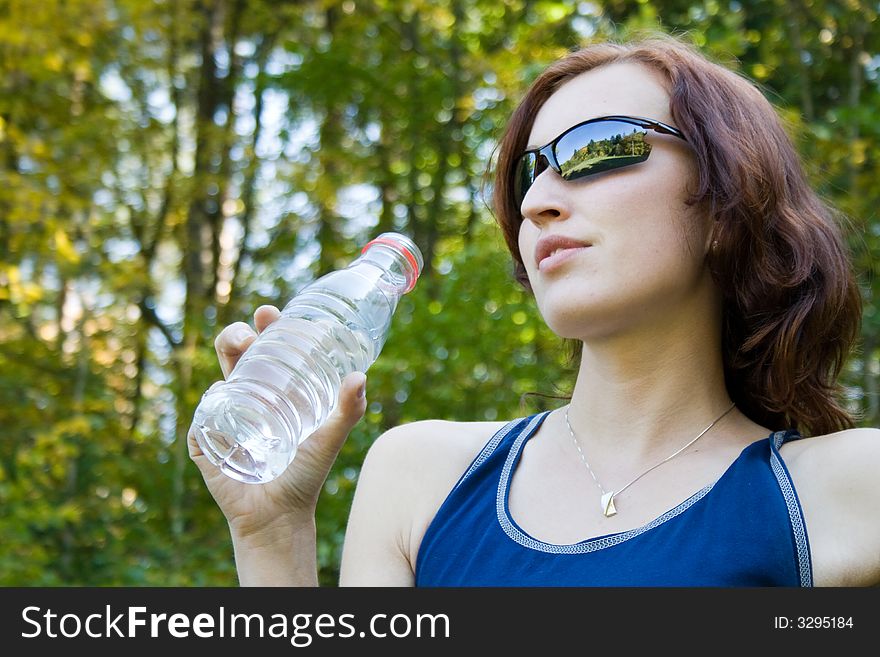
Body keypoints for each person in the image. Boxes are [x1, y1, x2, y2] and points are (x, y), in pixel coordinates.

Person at [189, 33, 880, 587]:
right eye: (529, 169)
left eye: (595, 148)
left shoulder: (842, 486)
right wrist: (272, 537)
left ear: (727, 200)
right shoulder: (419, 477)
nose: (535, 199)